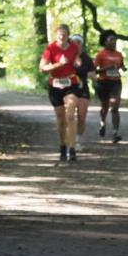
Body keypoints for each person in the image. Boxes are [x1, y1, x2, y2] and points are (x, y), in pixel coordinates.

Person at [39, 24, 81, 162]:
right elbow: (42, 68)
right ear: (56, 35)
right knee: (61, 120)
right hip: (55, 84)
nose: (62, 37)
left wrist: (77, 62)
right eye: (59, 35)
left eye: (64, 35)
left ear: (68, 35)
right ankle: (63, 145)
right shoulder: (50, 48)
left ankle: (73, 148)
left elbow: (77, 58)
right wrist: (58, 65)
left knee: (70, 115)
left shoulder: (74, 46)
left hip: (71, 84)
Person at [94, 30, 126, 143]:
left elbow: (121, 65)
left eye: (115, 40)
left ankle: (115, 133)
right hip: (103, 83)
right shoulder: (100, 55)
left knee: (115, 107)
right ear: (105, 42)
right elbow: (95, 70)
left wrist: (123, 68)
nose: (114, 42)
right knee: (105, 107)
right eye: (111, 40)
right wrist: (106, 69)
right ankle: (102, 123)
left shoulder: (119, 54)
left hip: (115, 83)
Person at [69, 34, 95, 148]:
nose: (76, 44)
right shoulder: (67, 56)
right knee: (69, 115)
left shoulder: (87, 59)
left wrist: (84, 75)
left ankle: (77, 139)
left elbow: (93, 74)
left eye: (78, 42)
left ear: (82, 44)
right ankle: (71, 141)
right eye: (74, 42)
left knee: (81, 116)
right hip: (69, 89)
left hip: (82, 89)